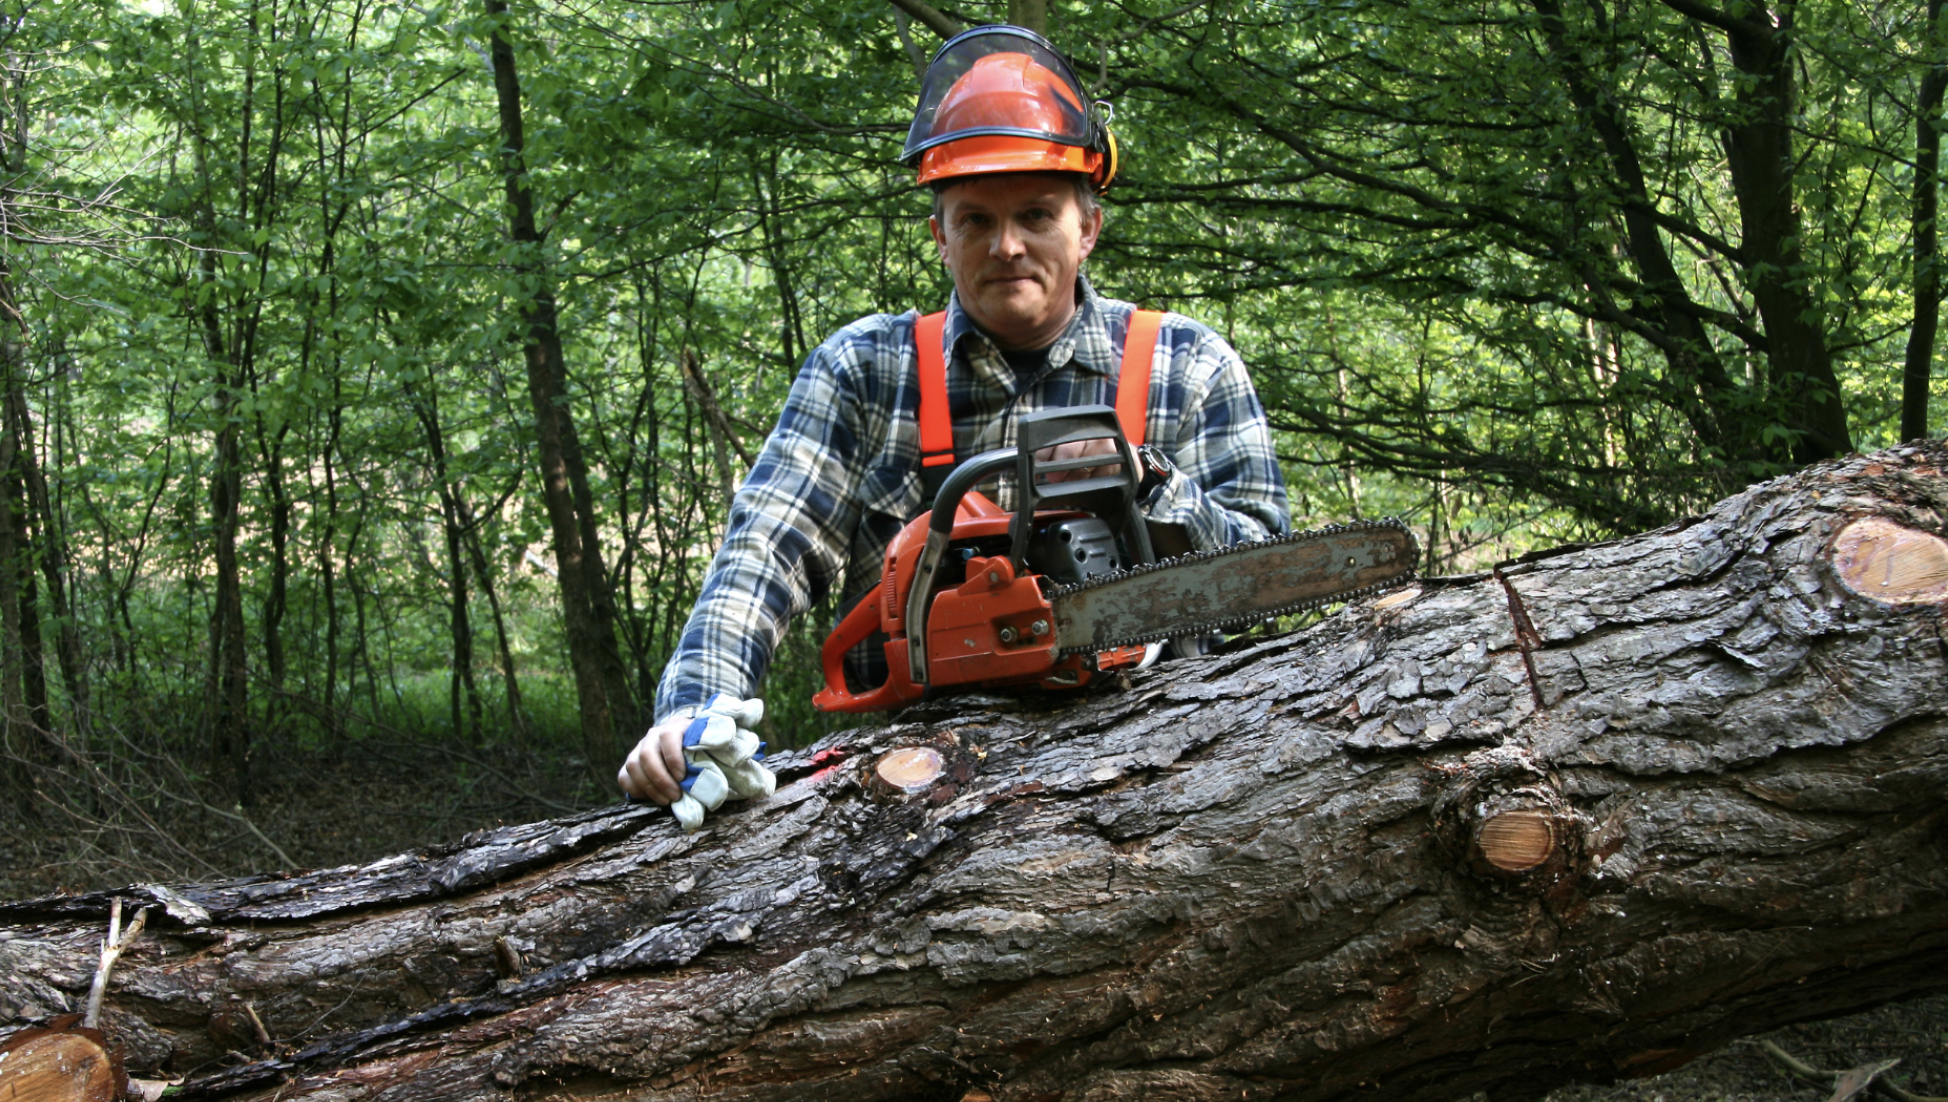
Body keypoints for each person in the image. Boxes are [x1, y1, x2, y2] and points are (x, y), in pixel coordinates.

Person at [618, 24, 1290, 815]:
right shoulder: (866, 370)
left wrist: (1150, 485)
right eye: (975, 220)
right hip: (917, 795)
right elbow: (764, 553)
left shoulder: (1187, 364)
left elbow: (1268, 580)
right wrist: (696, 712)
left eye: (1036, 214)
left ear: (1087, 228)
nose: (1007, 246)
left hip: (1156, 778)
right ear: (941, 236)